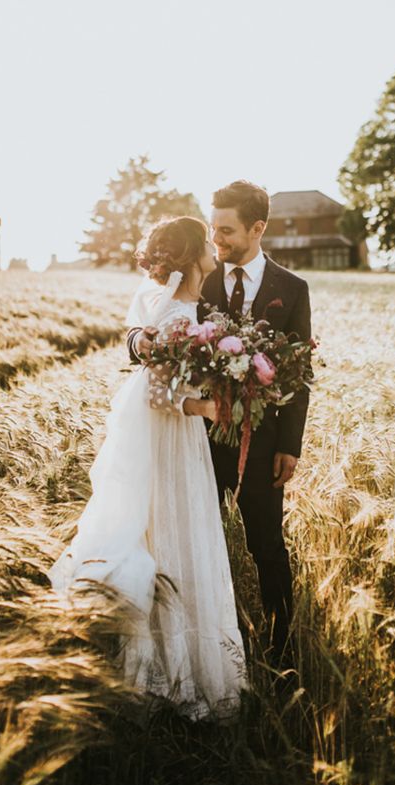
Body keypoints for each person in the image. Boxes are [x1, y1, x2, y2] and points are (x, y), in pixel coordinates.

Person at [49, 216, 247, 721]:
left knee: (169, 531)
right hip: (171, 435)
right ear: (190, 255)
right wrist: (206, 408)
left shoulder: (187, 306)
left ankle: (169, 657)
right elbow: (160, 395)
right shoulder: (178, 312)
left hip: (176, 438)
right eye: (205, 239)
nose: (213, 245)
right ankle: (171, 670)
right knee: (173, 530)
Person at [129, 181, 312, 669]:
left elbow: (301, 371)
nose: (217, 239)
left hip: (265, 441)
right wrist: (137, 344)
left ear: (258, 228)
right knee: (193, 545)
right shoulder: (199, 276)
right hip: (197, 443)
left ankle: (282, 650)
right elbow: (148, 320)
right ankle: (202, 648)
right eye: (212, 228)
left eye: (227, 230)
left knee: (268, 546)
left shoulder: (293, 289)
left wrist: (289, 446)